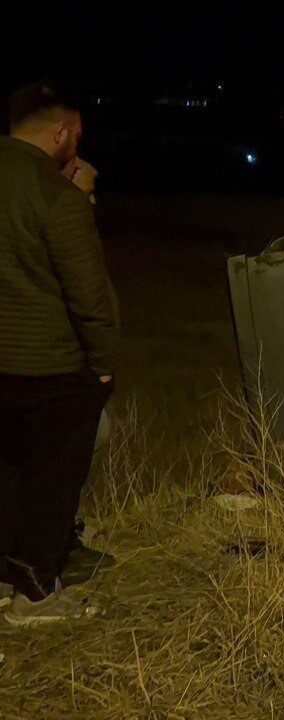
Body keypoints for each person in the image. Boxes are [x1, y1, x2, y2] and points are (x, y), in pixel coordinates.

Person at [0, 83, 120, 624]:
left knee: (7, 473)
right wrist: (102, 364)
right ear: (61, 132)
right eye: (77, 133)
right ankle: (37, 595)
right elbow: (89, 295)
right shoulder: (57, 198)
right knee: (51, 479)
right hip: (47, 364)